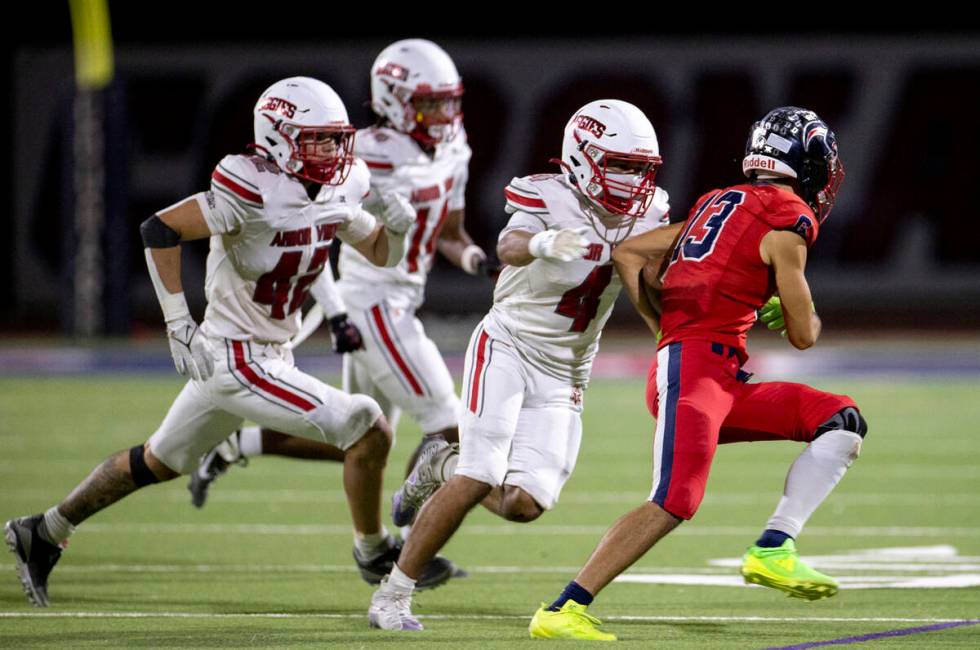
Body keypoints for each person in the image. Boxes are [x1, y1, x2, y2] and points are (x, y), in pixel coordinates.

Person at [3, 76, 452, 608]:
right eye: (317, 139)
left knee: (157, 462)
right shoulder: (252, 186)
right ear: (278, 137)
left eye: (336, 139)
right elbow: (159, 229)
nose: (333, 151)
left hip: (265, 355)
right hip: (235, 358)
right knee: (369, 426)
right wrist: (178, 322)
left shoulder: (343, 182)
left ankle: (43, 530)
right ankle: (375, 551)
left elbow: (378, 252)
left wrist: (396, 231)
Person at [528, 106, 867, 641]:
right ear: (805, 163)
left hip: (717, 375)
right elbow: (805, 336)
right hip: (695, 374)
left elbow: (630, 254)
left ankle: (775, 547)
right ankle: (563, 607)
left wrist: (664, 325)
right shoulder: (789, 218)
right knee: (674, 500)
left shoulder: (720, 199)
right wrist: (790, 306)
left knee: (840, 419)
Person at [367, 99, 672, 631]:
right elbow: (507, 245)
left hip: (568, 370)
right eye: (620, 165)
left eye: (639, 168)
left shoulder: (651, 211)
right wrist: (540, 241)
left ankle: (437, 463)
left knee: (524, 505)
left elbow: (655, 280)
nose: (632, 180)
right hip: (508, 344)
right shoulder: (547, 195)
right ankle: (392, 595)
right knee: (479, 472)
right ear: (582, 158)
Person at [188, 40, 488, 536]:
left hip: (403, 296)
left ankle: (236, 445)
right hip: (372, 301)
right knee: (451, 428)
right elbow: (315, 230)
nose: (441, 113)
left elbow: (451, 233)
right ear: (394, 98)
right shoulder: (357, 152)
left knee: (360, 437)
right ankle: (410, 548)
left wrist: (481, 261)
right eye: (428, 102)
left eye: (446, 101)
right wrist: (335, 310)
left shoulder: (455, 148)